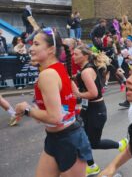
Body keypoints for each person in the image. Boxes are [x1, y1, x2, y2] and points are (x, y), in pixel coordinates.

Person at [15, 27, 93, 177]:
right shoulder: (56, 69)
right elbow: (57, 110)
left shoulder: (48, 74)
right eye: (32, 44)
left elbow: (55, 117)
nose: (31, 48)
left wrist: (27, 109)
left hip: (68, 140)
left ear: (51, 49)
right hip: (55, 139)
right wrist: (35, 110)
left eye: (36, 44)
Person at [72, 45, 128, 176]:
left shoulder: (86, 71)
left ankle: (120, 145)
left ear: (85, 56)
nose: (73, 56)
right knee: (82, 140)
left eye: (76, 54)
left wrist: (77, 93)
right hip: (89, 110)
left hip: (96, 111)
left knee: (93, 143)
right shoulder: (85, 69)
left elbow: (94, 93)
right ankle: (91, 166)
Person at [119, 35, 132, 108]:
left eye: (128, 41)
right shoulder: (130, 48)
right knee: (128, 84)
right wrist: (127, 59)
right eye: (126, 41)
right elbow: (130, 58)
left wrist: (128, 56)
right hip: (129, 67)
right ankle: (128, 101)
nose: (126, 42)